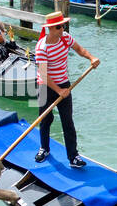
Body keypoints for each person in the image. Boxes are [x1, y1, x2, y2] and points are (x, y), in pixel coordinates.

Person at [33, 11, 98, 167]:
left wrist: (91, 58)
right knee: (45, 119)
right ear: (50, 29)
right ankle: (44, 148)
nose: (61, 29)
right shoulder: (42, 47)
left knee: (68, 121)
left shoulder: (65, 38)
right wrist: (58, 90)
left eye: (62, 26)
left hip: (64, 84)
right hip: (45, 85)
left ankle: (73, 157)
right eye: (58, 27)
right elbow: (43, 73)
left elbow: (80, 49)